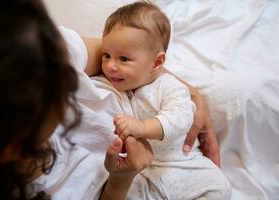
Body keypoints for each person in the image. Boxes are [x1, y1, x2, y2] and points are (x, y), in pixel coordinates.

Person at [0, 0, 221, 199]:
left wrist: (186, 93)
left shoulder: (32, 46)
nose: (109, 67)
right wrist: (120, 181)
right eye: (62, 83)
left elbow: (127, 52)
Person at [94, 2, 231, 199]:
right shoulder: (115, 87)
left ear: (157, 62)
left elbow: (181, 118)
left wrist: (142, 126)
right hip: (142, 173)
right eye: (106, 55)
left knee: (219, 187)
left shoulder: (169, 86)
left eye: (123, 59)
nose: (110, 66)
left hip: (182, 165)